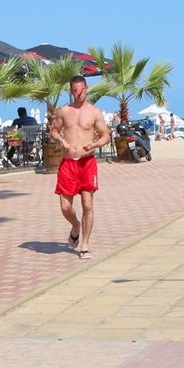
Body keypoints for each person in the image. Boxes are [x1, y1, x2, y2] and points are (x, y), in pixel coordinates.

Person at [49, 76, 110, 260]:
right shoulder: (64, 111)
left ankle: (85, 245)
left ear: (87, 88)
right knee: (65, 206)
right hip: (68, 163)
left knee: (87, 205)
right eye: (75, 91)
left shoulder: (94, 112)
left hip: (87, 162)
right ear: (71, 91)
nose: (79, 94)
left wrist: (95, 144)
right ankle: (75, 225)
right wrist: (61, 140)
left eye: (82, 90)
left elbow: (106, 135)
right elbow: (53, 131)